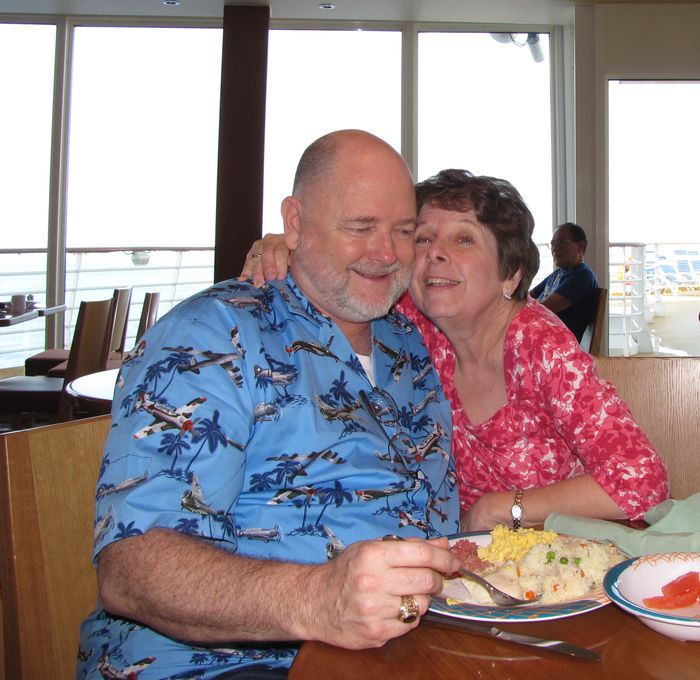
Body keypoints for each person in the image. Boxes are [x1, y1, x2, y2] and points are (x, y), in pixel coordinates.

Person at [77, 130, 461, 680]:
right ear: (295, 223)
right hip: (226, 664)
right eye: (360, 228)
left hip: (407, 652)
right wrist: (317, 599)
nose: (386, 253)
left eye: (403, 231)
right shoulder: (212, 336)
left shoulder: (408, 342)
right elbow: (132, 568)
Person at [243, 170, 669, 534]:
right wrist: (292, 247)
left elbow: (642, 481)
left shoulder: (541, 348)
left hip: (560, 559)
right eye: (423, 238)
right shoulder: (415, 320)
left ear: (510, 273)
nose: (435, 252)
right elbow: (339, 283)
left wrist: (499, 508)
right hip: (462, 565)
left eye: (464, 239)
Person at [530, 222, 599, 342]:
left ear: (580, 247)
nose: (555, 248)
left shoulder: (582, 275)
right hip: (540, 337)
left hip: (557, 344)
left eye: (561, 242)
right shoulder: (558, 273)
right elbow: (529, 296)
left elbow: (545, 309)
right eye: (552, 243)